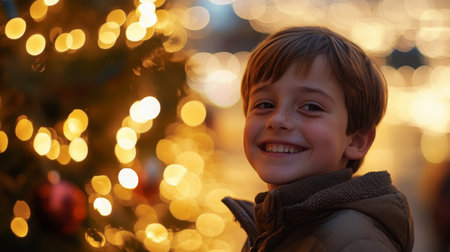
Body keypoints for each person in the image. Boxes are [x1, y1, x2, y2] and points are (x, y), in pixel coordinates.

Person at [222, 26, 414, 251]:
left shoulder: (352, 241)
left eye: (311, 107)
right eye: (265, 104)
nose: (278, 119)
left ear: (356, 141)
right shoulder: (276, 228)